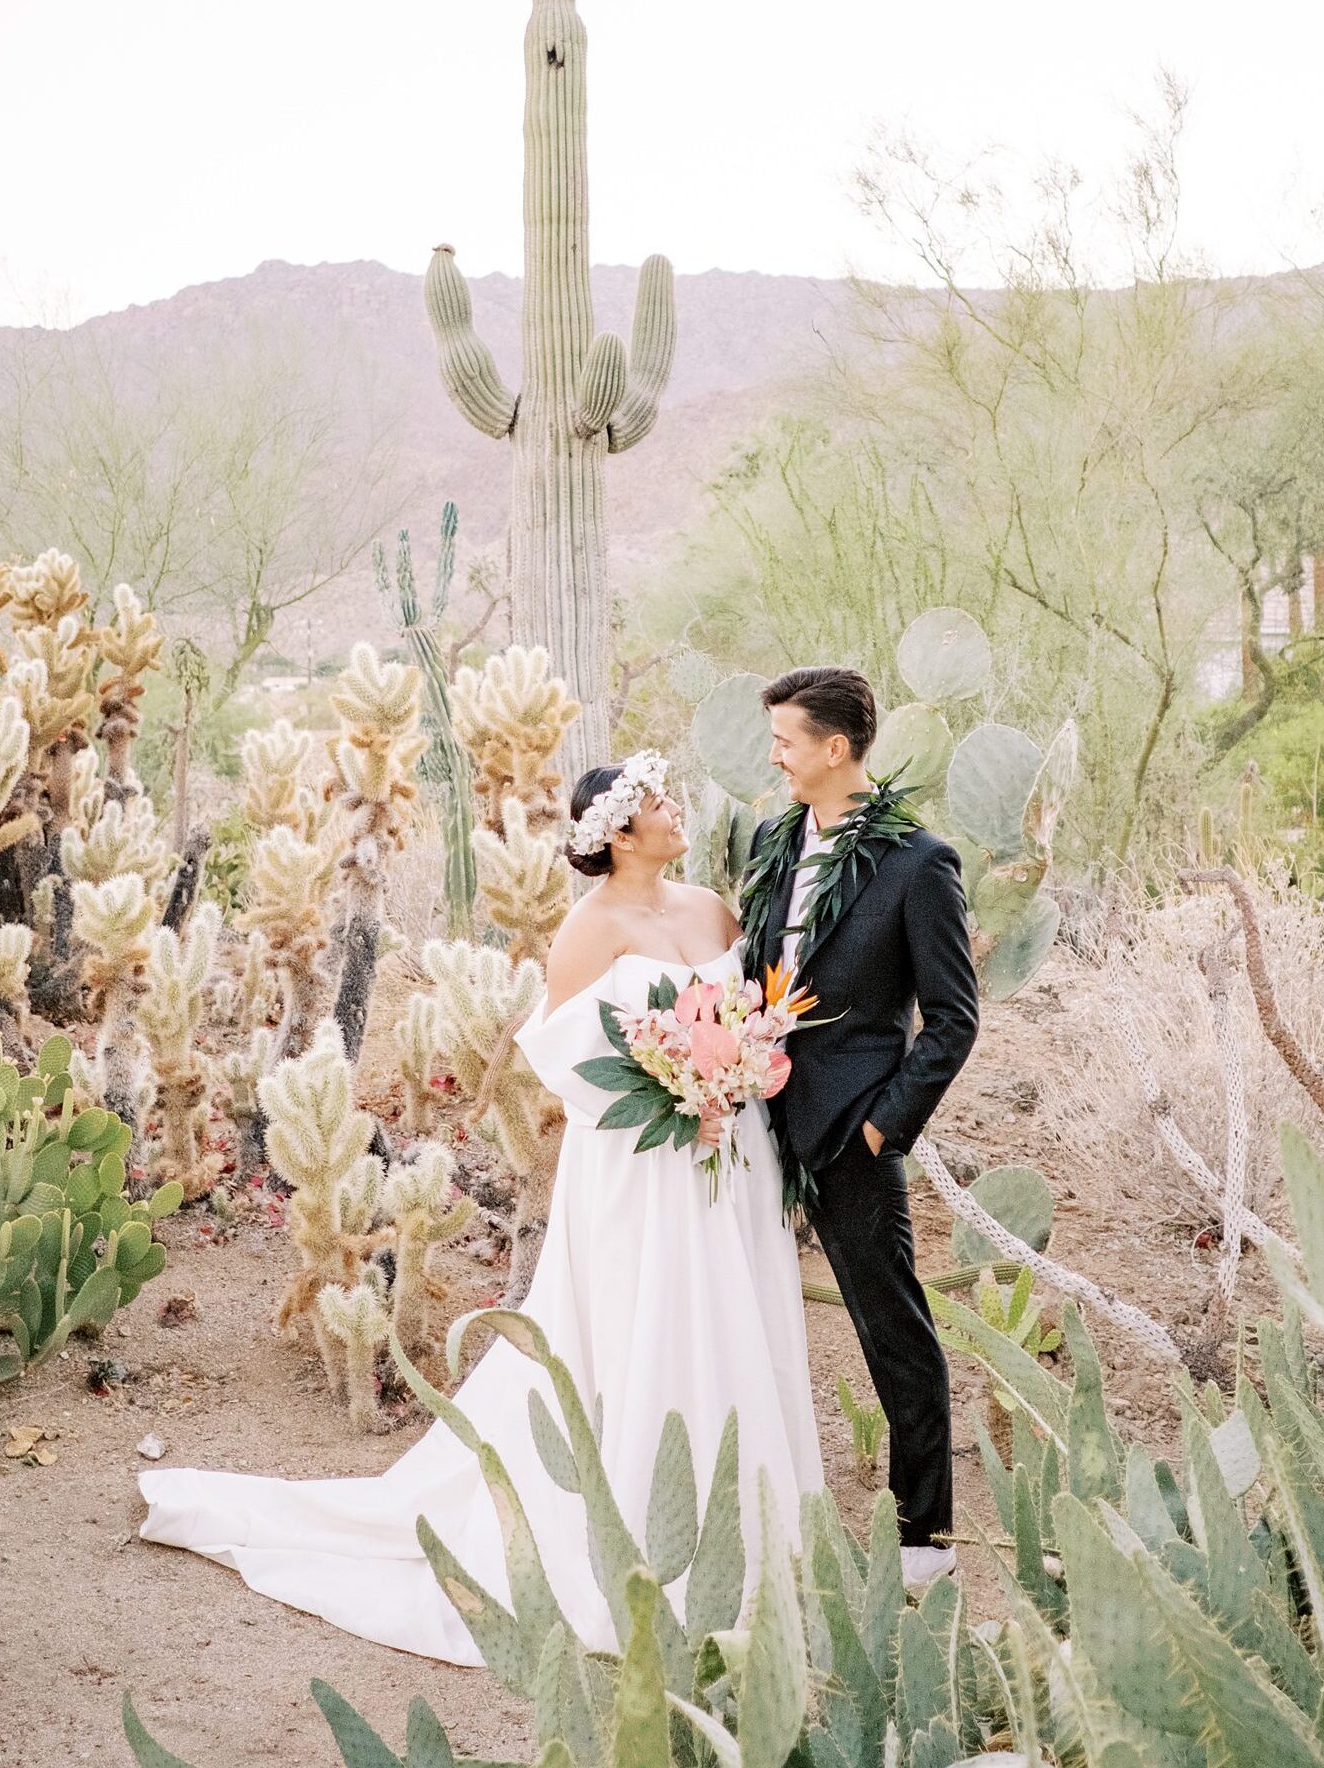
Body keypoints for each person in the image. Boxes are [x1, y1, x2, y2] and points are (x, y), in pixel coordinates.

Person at [135, 751, 822, 1664]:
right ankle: (645, 1525)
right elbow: (566, 1053)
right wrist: (676, 1085)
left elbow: (750, 1010)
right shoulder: (590, 927)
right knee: (644, 1320)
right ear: (619, 833)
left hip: (732, 1153)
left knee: (730, 1311)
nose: (674, 808)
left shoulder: (712, 910)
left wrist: (732, 1073)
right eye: (656, 802)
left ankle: (751, 1515)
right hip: (640, 1159)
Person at [738, 667, 980, 1588]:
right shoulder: (770, 838)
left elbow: (953, 1019)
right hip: (753, 1123)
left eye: (787, 741)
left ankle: (925, 1542)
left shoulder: (921, 863)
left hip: (850, 1133)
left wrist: (882, 1128)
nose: (775, 755)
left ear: (835, 750)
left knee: (894, 1332)